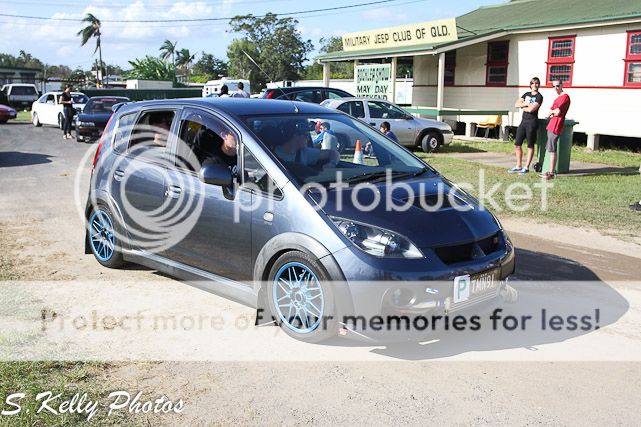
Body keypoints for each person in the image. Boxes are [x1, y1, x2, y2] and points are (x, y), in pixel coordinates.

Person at [509, 77, 543, 174]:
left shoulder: (539, 97)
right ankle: (518, 165)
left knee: (530, 145)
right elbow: (516, 104)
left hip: (532, 123)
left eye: (537, 83)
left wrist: (523, 105)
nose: (535, 85)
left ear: (538, 85)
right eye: (533, 84)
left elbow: (531, 110)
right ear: (530, 85)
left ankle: (526, 167)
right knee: (517, 144)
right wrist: (526, 105)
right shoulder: (526, 94)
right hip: (523, 122)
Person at [540, 80, 571, 180]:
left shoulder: (565, 97)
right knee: (550, 148)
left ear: (562, 85)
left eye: (558, 86)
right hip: (551, 125)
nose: (556, 88)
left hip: (556, 125)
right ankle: (550, 171)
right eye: (554, 86)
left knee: (552, 149)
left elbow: (557, 112)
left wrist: (553, 112)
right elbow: (551, 111)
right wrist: (553, 112)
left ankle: (552, 173)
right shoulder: (557, 98)